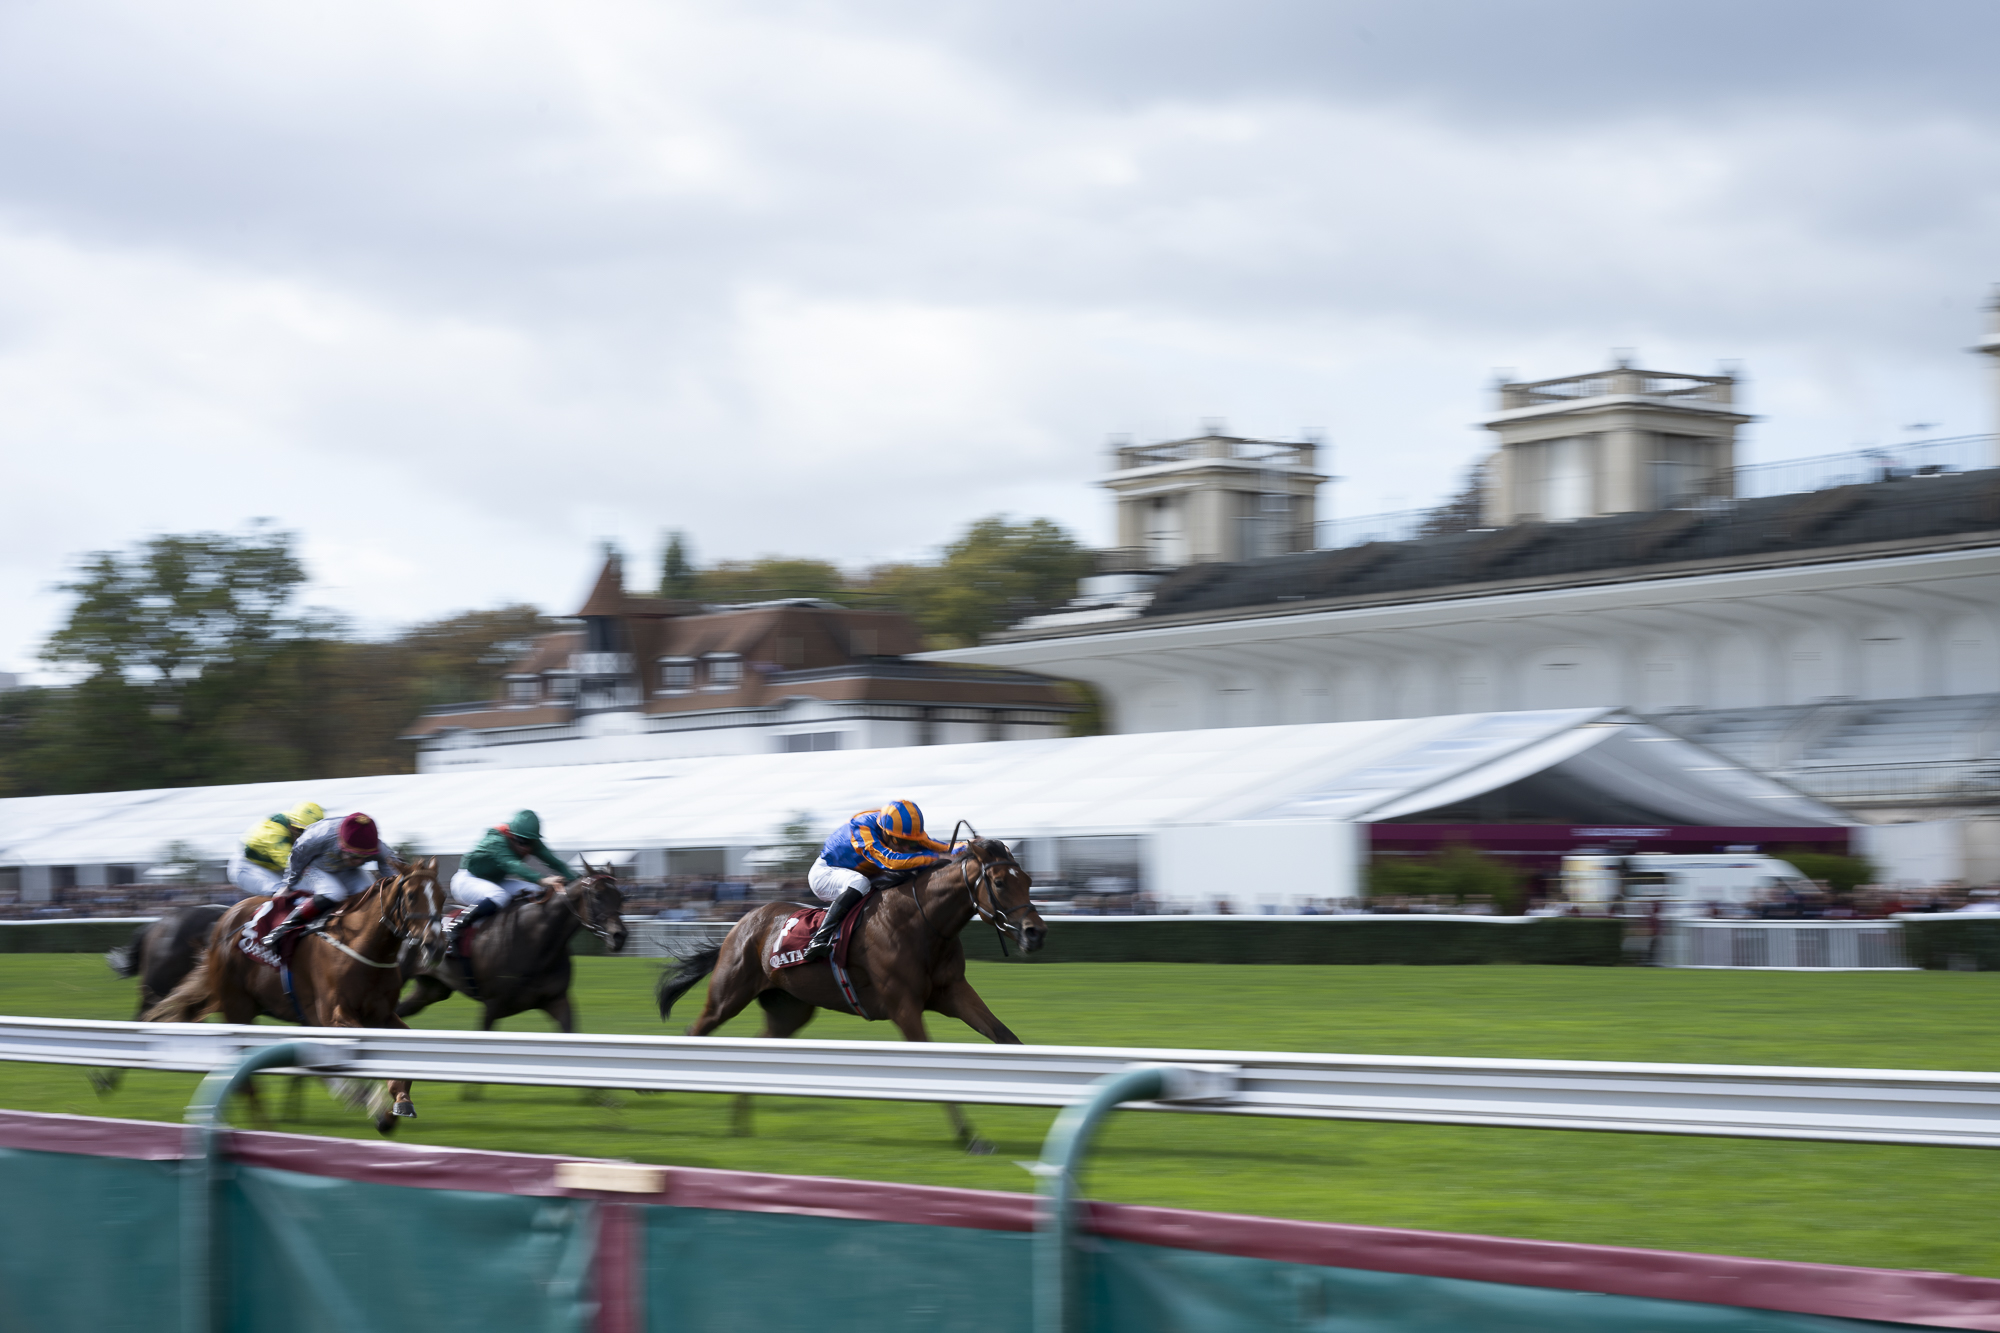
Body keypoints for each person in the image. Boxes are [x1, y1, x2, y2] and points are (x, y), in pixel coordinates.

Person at [802, 800, 956, 962]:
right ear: (885, 832)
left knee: (904, 874)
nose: (906, 847)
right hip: (825, 874)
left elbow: (935, 845)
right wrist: (934, 858)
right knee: (860, 883)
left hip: (862, 874)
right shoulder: (862, 829)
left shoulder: (894, 827)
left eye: (910, 842)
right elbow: (890, 861)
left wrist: (966, 847)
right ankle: (819, 939)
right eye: (900, 842)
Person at [439, 810, 576, 955]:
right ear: (511, 835)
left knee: (536, 891)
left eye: (529, 842)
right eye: (521, 841)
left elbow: (556, 863)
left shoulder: (530, 841)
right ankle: (456, 926)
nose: (526, 847)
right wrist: (542, 879)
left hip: (495, 881)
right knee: (500, 896)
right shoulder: (496, 840)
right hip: (467, 880)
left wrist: (579, 880)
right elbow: (513, 865)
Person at [260, 813, 403, 950]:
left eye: (364, 857)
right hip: (313, 867)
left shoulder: (378, 847)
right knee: (335, 892)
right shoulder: (320, 834)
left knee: (370, 893)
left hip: (345, 869)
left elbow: (394, 873)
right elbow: (297, 856)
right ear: (341, 842)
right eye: (354, 855)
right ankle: (283, 930)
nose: (359, 861)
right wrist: (288, 884)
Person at [227, 801, 325, 898]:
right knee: (284, 895)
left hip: (275, 868)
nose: (308, 838)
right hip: (248, 868)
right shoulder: (274, 831)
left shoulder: (297, 823)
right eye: (303, 832)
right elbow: (290, 863)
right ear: (293, 827)